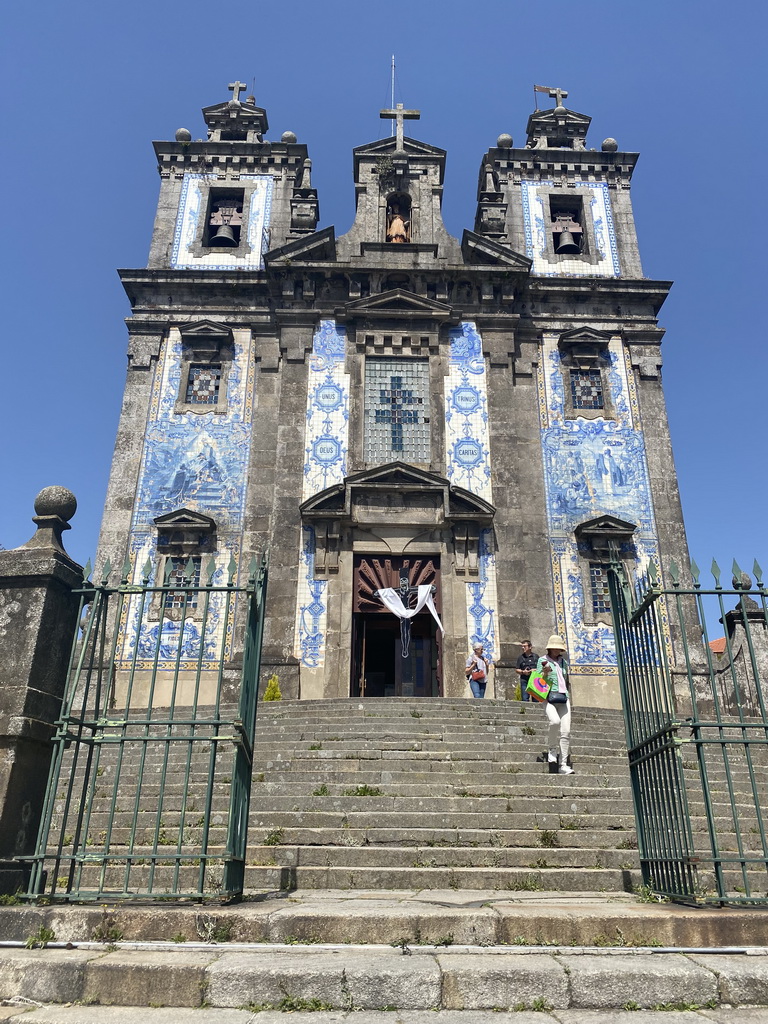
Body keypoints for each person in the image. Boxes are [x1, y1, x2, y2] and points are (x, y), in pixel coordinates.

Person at [535, 634, 574, 775]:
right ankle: (552, 749)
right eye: (555, 648)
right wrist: (545, 674)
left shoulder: (563, 662)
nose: (557, 651)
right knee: (554, 722)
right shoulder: (542, 660)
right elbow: (538, 680)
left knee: (566, 731)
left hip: (563, 697)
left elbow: (565, 679)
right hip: (548, 697)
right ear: (550, 648)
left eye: (559, 649)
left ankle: (563, 764)